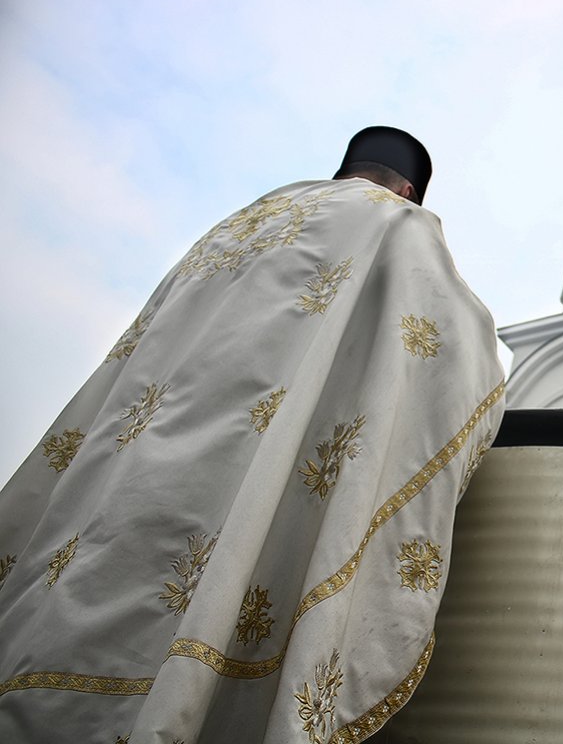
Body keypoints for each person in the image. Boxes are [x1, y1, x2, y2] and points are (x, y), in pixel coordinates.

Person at [0, 127, 505, 742]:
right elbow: (448, 341)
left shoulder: (244, 222)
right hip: (250, 475)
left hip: (129, 480)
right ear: (408, 189)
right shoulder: (396, 223)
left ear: (346, 169)